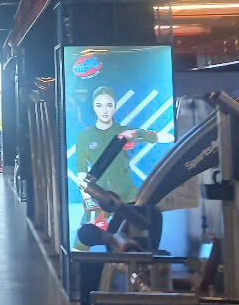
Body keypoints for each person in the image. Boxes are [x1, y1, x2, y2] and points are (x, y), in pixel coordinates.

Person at [74, 86, 173, 240]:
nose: (104, 110)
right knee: (88, 242)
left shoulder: (124, 132)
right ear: (93, 107)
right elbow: (81, 173)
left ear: (115, 106)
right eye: (99, 105)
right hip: (101, 202)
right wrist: (90, 201)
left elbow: (168, 138)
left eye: (109, 105)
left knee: (139, 240)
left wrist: (137, 133)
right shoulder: (85, 136)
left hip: (129, 201)